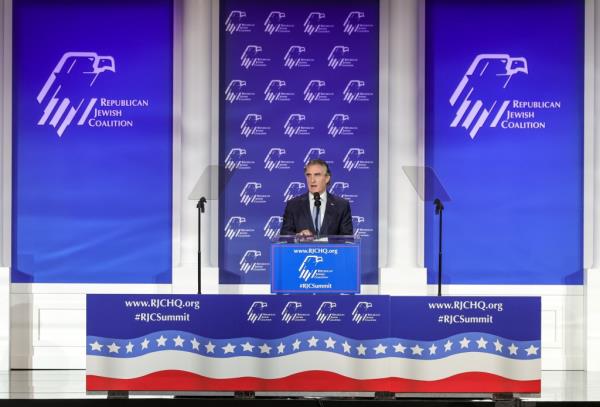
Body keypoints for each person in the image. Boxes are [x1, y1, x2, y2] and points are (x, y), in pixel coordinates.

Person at [280, 159, 353, 237]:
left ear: (327, 178)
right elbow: (284, 235)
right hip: (302, 249)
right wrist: (298, 236)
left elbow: (347, 238)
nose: (312, 180)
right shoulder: (293, 205)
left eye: (317, 175)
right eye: (308, 175)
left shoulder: (341, 205)